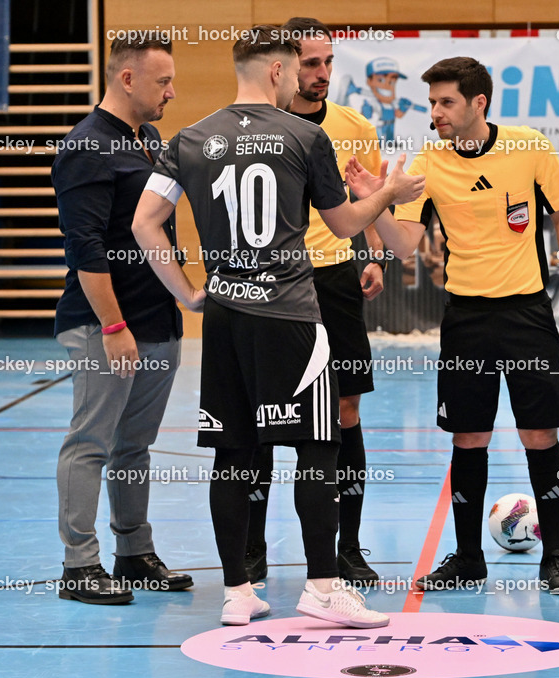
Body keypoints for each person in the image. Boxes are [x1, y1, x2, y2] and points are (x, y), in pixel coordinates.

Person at [130, 26, 424, 627]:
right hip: (292, 318)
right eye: (296, 70)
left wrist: (188, 292)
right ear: (275, 72)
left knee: (233, 455)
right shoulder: (304, 135)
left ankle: (238, 591)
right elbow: (343, 226)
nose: (300, 80)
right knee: (319, 448)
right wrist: (389, 190)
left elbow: (144, 224)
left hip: (226, 322)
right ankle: (321, 585)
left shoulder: (188, 138)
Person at [345, 56, 559, 594]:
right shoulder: (428, 160)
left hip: (526, 313)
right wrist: (374, 198)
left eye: (446, 101)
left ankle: (557, 558)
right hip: (465, 318)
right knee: (468, 437)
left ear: (479, 102)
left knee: (539, 434)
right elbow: (404, 244)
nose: (436, 112)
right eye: (432, 102)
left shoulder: (528, 147)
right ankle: (469, 557)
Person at [243, 17, 386, 587]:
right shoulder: (256, 129)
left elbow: (365, 195)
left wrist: (373, 253)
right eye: (310, 63)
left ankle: (346, 547)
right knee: (263, 420)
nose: (322, 73)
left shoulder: (354, 125)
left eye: (328, 62)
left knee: (346, 414)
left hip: (335, 283)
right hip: (274, 286)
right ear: (281, 65)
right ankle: (251, 548)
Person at [51, 36, 192, 605]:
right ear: (127, 79)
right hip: (104, 326)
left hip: (158, 323)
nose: (172, 92)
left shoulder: (150, 140)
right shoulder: (86, 147)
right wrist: (113, 327)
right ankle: (79, 566)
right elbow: (85, 247)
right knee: (91, 441)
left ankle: (133, 552)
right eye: (162, 82)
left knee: (134, 446)